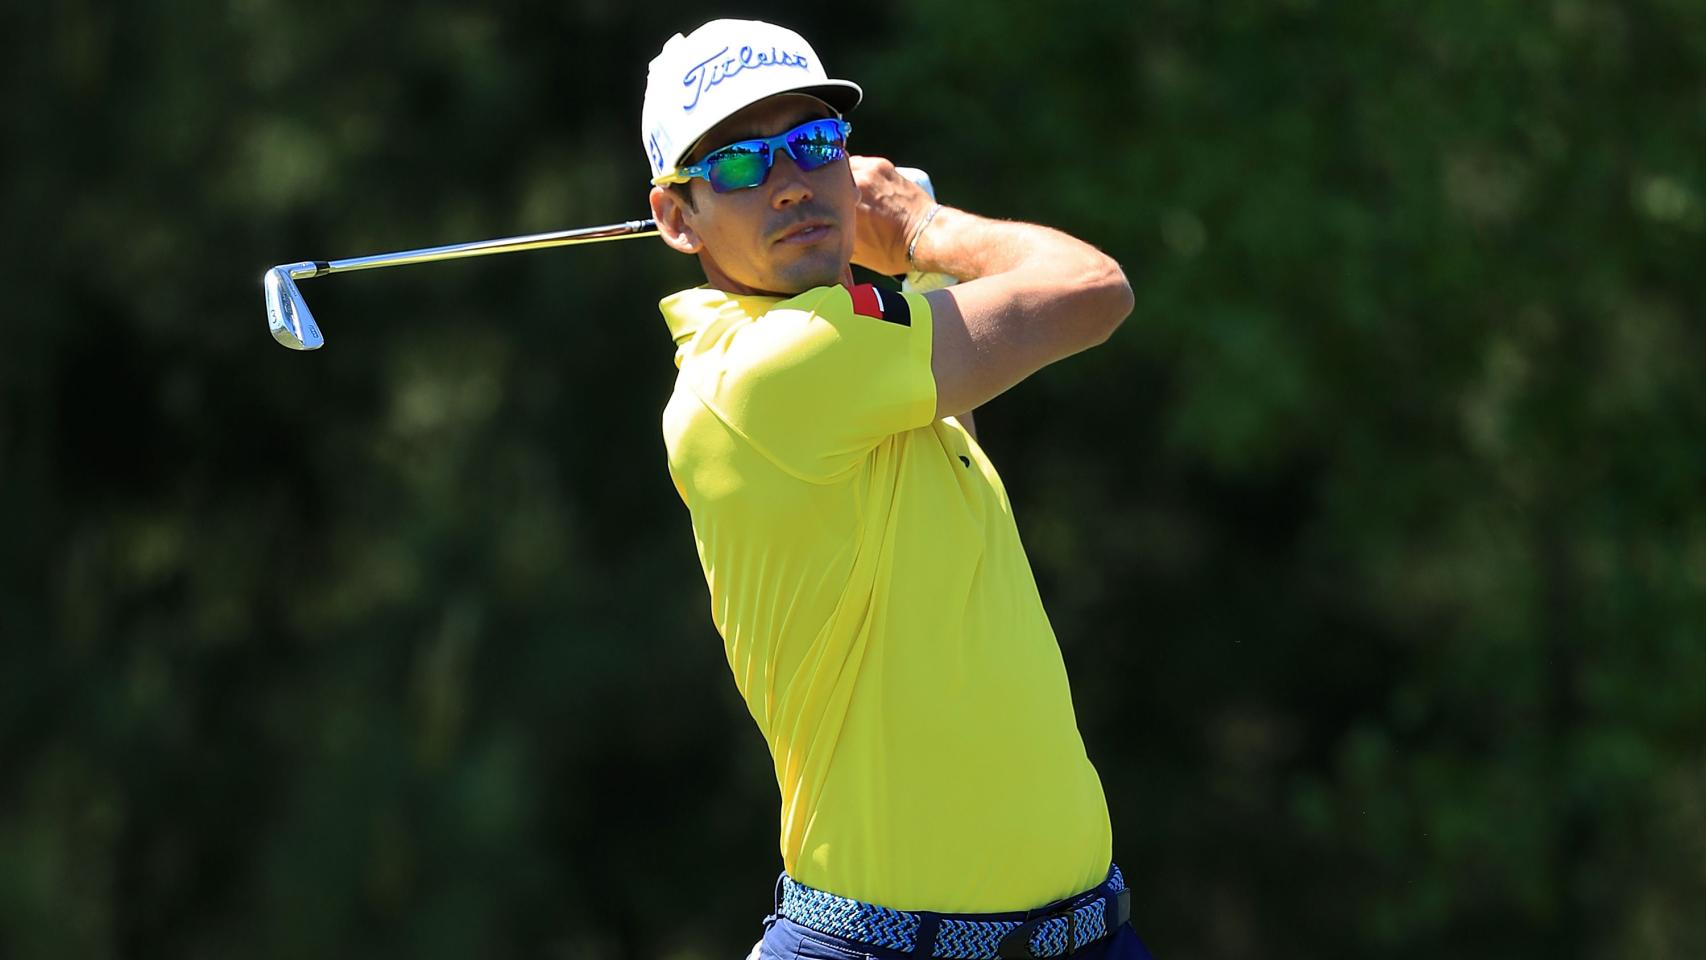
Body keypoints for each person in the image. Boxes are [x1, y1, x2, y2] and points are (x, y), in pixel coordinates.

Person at [642, 19, 1147, 960]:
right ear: (677, 218)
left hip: (1089, 935)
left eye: (813, 144)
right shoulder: (764, 373)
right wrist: (919, 226)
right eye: (742, 165)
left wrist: (904, 262)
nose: (790, 181)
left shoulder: (864, 353)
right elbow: (1095, 290)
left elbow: (935, 376)